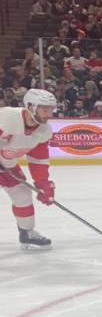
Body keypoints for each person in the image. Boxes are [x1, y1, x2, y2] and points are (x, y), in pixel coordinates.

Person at [0, 88, 58, 250]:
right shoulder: (7, 117)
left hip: (6, 163)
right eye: (45, 110)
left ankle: (27, 233)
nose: (49, 115)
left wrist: (42, 183)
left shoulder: (44, 131)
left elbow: (38, 159)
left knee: (22, 193)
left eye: (51, 110)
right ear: (31, 106)